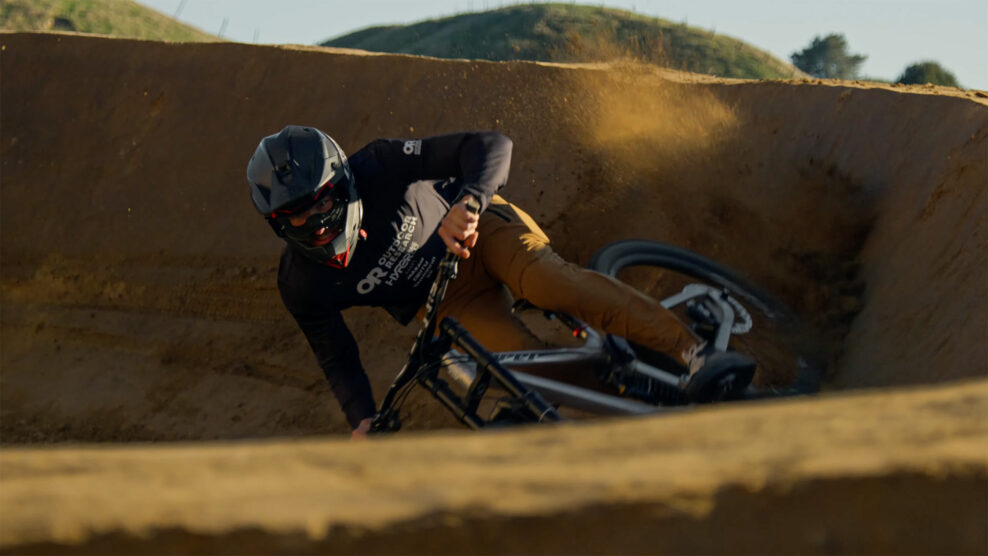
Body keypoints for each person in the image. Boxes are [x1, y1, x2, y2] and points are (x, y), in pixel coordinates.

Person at [247, 126, 753, 438]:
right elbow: (337, 357)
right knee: (518, 373)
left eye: (321, 202)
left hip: (481, 234)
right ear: (276, 223)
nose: (314, 221)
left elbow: (489, 145)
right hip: (448, 300)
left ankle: (695, 353)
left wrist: (469, 203)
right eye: (295, 216)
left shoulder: (377, 164)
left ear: (342, 183)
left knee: (547, 283)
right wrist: (361, 419)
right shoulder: (301, 285)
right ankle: (644, 394)